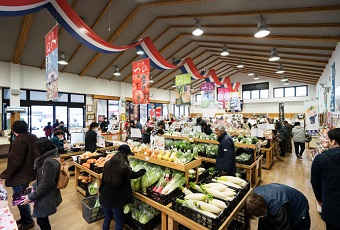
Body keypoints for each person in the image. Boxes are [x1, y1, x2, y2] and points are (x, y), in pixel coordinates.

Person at [0, 120, 38, 230]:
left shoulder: (19, 141)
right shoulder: (32, 137)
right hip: (29, 172)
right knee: (22, 196)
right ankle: (25, 218)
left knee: (21, 198)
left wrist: (3, 175)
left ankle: (28, 221)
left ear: (13, 130)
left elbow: (16, 162)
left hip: (20, 175)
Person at [99, 145, 146, 230]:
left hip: (105, 196)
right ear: (125, 154)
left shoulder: (108, 164)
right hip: (116, 199)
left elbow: (103, 180)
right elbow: (135, 175)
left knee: (107, 218)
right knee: (119, 220)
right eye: (128, 155)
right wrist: (143, 170)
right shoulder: (124, 168)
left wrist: (100, 191)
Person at [20, 138, 62, 230]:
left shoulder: (48, 162)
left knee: (42, 221)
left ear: (41, 149)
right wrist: (34, 185)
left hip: (47, 196)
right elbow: (43, 179)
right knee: (42, 219)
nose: (35, 151)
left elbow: (46, 184)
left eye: (36, 149)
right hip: (48, 193)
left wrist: (30, 197)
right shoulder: (51, 157)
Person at [245, 183, 310, 230]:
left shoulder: (279, 207)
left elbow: (284, 228)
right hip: (279, 197)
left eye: (263, 214)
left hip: (298, 207)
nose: (261, 216)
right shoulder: (254, 196)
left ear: (265, 207)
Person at [311, 128, 340, 230]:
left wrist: (319, 198)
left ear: (333, 141)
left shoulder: (321, 158)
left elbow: (315, 182)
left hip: (331, 206)